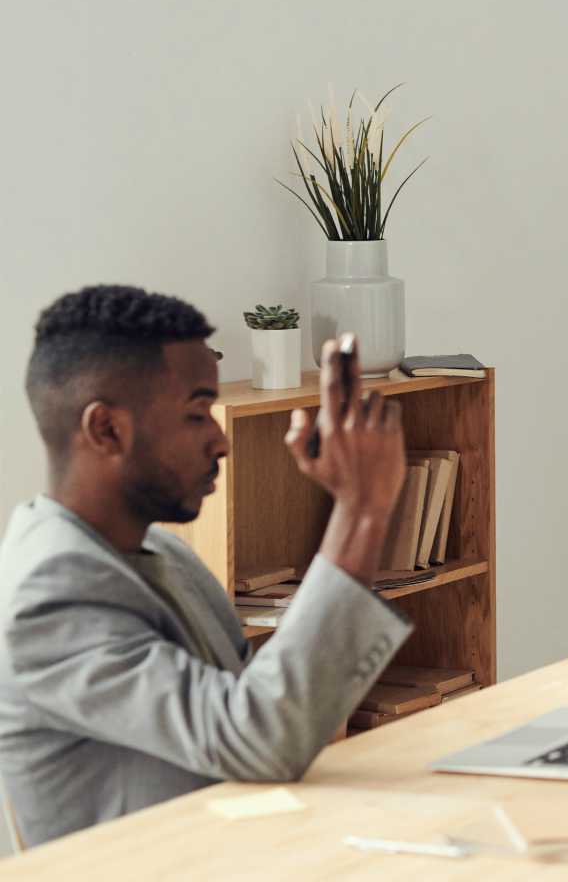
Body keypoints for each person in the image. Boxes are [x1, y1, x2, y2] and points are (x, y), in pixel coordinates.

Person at [0, 286, 413, 846]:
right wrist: (361, 510)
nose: (221, 441)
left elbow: (262, 727)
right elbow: (260, 737)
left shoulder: (166, 554)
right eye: (198, 414)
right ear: (107, 430)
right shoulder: (49, 593)